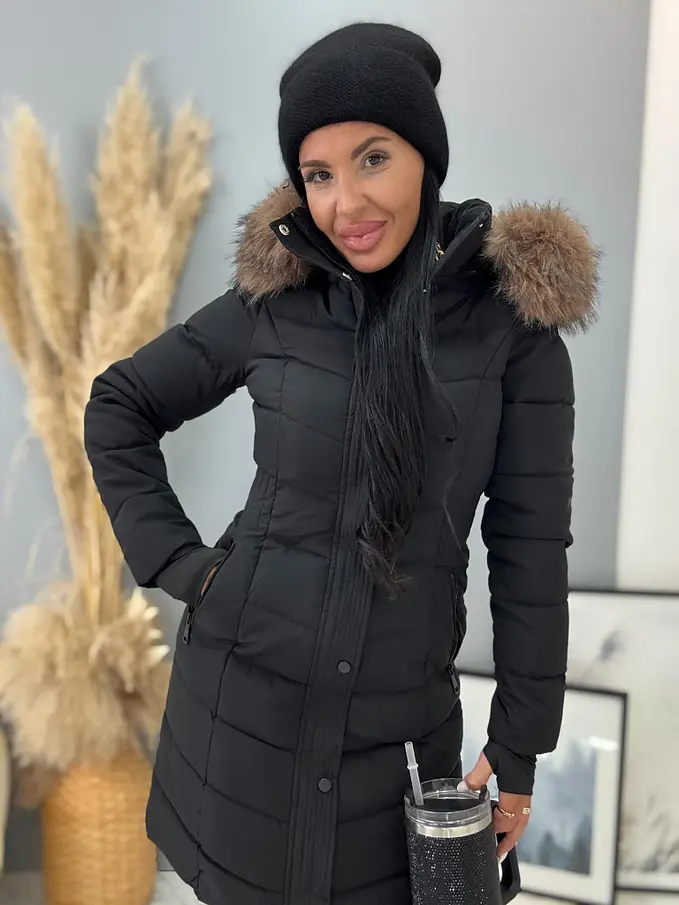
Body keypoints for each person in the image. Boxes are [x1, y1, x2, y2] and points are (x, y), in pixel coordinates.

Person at [84, 22, 597, 905]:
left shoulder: (511, 332)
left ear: (425, 156)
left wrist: (518, 746)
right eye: (317, 174)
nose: (344, 202)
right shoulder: (277, 299)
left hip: (396, 744)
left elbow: (529, 550)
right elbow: (118, 405)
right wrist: (187, 569)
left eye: (372, 159)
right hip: (241, 719)